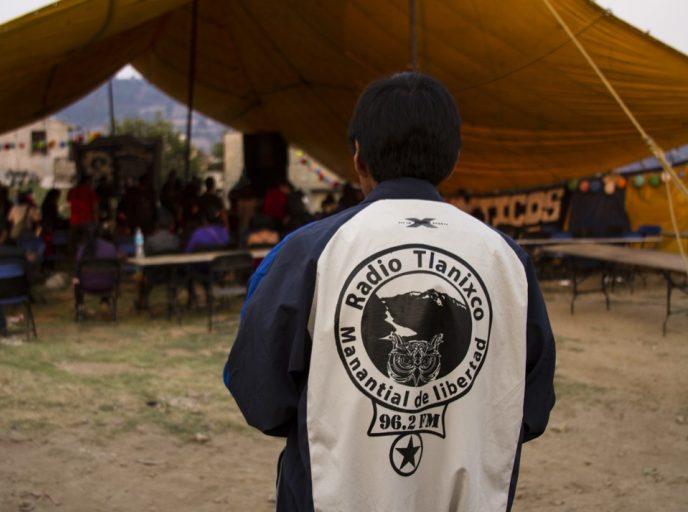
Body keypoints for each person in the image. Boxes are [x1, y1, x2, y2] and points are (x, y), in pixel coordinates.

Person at [224, 72, 556, 511]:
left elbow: (259, 393)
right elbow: (529, 404)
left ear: (358, 157)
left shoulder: (308, 253)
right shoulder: (505, 259)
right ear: (453, 158)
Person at [136, 209, 180, 310]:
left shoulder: (151, 240)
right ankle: (173, 299)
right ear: (170, 225)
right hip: (172, 275)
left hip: (154, 275)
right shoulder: (175, 239)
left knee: (140, 277)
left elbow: (144, 258)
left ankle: (141, 302)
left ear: (156, 225)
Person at [67, 175, 98, 254]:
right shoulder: (90, 192)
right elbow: (95, 208)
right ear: (88, 182)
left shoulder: (72, 191)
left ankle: (72, 255)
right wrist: (96, 221)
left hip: (74, 220)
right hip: (87, 219)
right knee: (88, 239)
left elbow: (68, 202)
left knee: (73, 240)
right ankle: (87, 255)